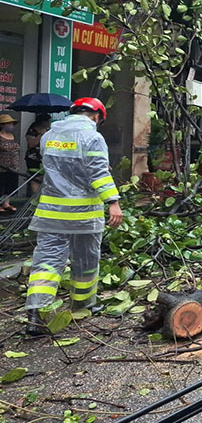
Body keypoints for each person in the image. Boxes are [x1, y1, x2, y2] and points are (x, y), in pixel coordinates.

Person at [24, 98, 123, 335]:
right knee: (86, 260)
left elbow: (58, 167)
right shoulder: (93, 138)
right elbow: (97, 173)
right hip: (83, 214)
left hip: (51, 213)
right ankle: (83, 304)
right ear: (97, 116)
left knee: (46, 263)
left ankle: (36, 315)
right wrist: (113, 202)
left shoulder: (49, 135)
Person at [25, 114, 52, 196]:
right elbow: (31, 144)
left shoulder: (48, 130)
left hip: (44, 156)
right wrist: (40, 135)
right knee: (36, 178)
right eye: (47, 121)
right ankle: (35, 197)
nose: (49, 123)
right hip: (34, 158)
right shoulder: (32, 130)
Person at [0, 114, 19, 211]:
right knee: (1, 184)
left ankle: (6, 203)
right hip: (2, 165)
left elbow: (16, 147)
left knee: (10, 185)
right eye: (8, 124)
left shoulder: (12, 136)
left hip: (13, 165)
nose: (11, 126)